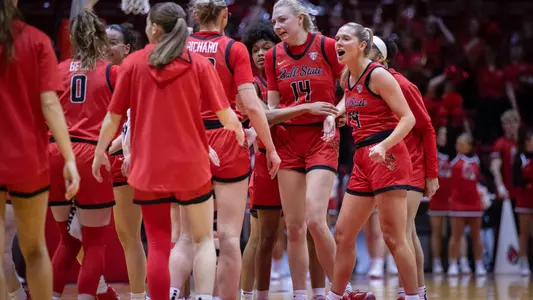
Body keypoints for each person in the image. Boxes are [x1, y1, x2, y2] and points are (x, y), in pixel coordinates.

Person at [93, 3, 244, 300]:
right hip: (192, 165)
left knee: (161, 244)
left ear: (153, 28)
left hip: (149, 168)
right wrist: (239, 130)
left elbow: (113, 118)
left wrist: (100, 152)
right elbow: (225, 114)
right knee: (202, 240)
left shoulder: (134, 63)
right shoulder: (198, 63)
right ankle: (203, 296)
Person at [170, 1, 280, 299]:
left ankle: (174, 293)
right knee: (230, 236)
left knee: (185, 236)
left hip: (190, 141)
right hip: (228, 139)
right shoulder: (234, 49)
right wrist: (270, 148)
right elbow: (253, 105)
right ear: (224, 15)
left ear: (194, 16)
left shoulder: (178, 48)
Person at [324, 22, 418, 300]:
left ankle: (414, 295)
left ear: (362, 45)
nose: (338, 43)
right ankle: (336, 295)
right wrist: (333, 115)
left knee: (392, 235)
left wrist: (385, 145)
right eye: (337, 38)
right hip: (362, 158)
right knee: (342, 233)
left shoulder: (378, 75)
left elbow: (409, 118)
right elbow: (348, 102)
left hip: (387, 154)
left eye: (345, 39)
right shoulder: (347, 77)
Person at [266, 1, 350, 297]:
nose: (277, 27)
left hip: (322, 138)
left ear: (300, 19)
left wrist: (333, 113)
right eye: (274, 21)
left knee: (315, 218)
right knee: (295, 227)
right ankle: (301, 294)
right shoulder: (272, 55)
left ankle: (342, 288)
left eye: (282, 20)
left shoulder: (327, 46)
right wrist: (305, 108)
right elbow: (270, 113)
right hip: (288, 141)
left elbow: (354, 88)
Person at [0, 0, 80, 299]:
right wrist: (69, 158)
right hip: (27, 159)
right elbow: (50, 104)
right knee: (34, 249)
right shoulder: (35, 40)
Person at [49, 9, 118, 300]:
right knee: (94, 243)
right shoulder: (111, 72)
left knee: (67, 240)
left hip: (56, 154)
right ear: (101, 37)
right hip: (91, 155)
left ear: (72, 38)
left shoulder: (58, 69)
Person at [369, 36, 439, 299]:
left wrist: (432, 174)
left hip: (412, 166)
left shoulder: (403, 85)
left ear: (380, 58)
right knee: (401, 232)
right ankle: (413, 291)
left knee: (404, 230)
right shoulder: (363, 83)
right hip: (388, 165)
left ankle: (412, 292)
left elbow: (427, 128)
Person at [447, 133, 487, 277]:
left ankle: (479, 264)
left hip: (474, 203)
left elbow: (478, 181)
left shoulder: (477, 161)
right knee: (456, 236)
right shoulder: (454, 161)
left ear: (469, 146)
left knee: (477, 236)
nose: (458, 146)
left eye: (462, 144)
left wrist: (483, 193)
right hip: (458, 203)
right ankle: (453, 264)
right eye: (457, 144)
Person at [512, 127, 533, 276]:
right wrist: (527, 182)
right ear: (526, 142)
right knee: (524, 233)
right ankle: (523, 262)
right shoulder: (519, 158)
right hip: (524, 201)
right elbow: (515, 180)